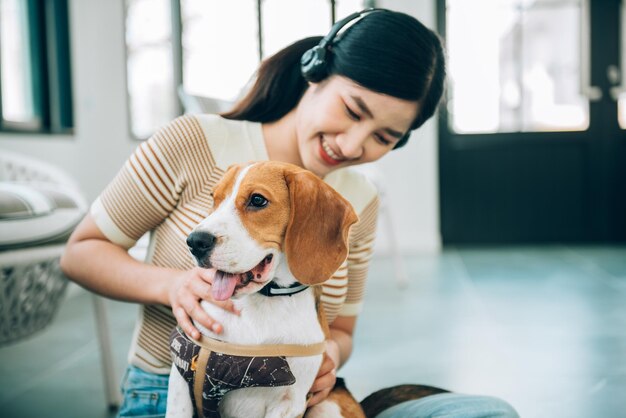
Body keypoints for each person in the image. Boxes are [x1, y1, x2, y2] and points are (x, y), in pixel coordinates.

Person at [61, 8, 518, 418]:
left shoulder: (357, 200)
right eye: (353, 110)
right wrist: (173, 285)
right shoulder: (193, 142)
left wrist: (327, 361)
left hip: (294, 405)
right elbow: (80, 253)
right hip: (172, 395)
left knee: (487, 413)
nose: (353, 145)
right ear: (315, 73)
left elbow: (340, 331)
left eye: (384, 138)